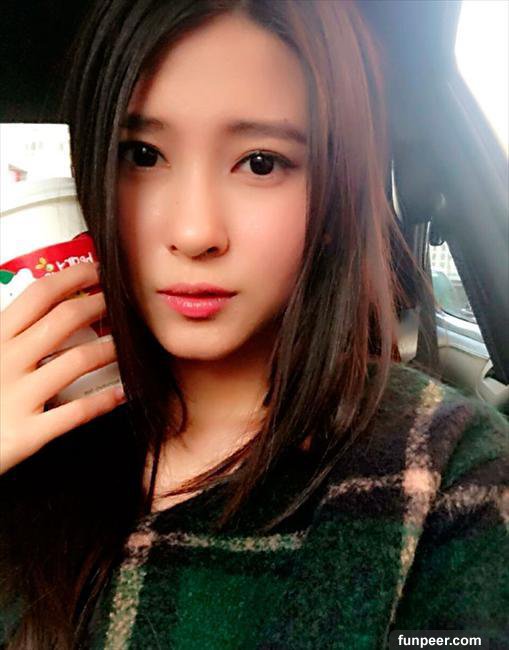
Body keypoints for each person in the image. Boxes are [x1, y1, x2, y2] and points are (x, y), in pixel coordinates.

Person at [0, 1, 507, 648]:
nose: (195, 232)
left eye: (261, 163)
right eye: (142, 155)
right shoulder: (24, 426)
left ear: (334, 195)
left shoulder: (446, 474)